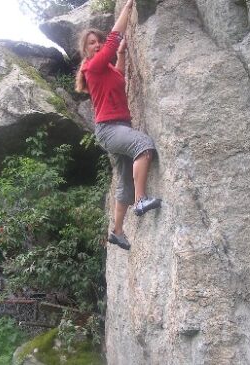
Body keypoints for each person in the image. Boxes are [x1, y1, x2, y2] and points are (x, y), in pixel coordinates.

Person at [75, 0, 161, 250]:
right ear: (86, 50)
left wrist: (122, 54)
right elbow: (114, 36)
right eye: (92, 43)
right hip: (109, 129)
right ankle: (141, 200)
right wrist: (128, 6)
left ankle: (117, 231)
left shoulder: (106, 70)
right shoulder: (93, 66)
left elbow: (119, 78)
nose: (98, 44)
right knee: (144, 145)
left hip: (116, 127)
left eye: (98, 41)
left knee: (124, 180)